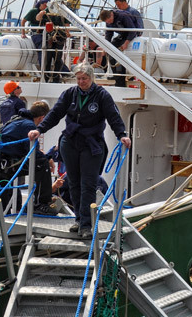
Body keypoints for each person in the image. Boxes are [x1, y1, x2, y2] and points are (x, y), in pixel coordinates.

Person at [29, 62, 131, 239]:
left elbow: (113, 116)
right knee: (74, 183)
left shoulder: (102, 96)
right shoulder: (70, 94)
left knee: (88, 184)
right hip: (70, 142)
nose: (81, 82)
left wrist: (121, 134)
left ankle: (86, 224)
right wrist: (40, 129)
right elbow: (55, 113)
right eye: (78, 79)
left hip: (91, 145)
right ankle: (78, 219)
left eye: (84, 78)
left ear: (91, 78)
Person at [0, 101, 58, 215]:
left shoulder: (17, 120)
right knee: (42, 164)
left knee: (40, 161)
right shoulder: (29, 126)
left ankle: (30, 204)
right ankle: (41, 204)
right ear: (42, 118)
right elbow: (33, 154)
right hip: (9, 164)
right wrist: (48, 158)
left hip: (2, 162)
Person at [96, 8, 141, 86]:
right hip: (122, 35)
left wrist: (126, 43)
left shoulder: (123, 16)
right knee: (111, 50)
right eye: (107, 22)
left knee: (119, 54)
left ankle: (121, 78)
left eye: (109, 21)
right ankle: (116, 75)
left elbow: (133, 31)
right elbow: (109, 34)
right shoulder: (108, 21)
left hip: (131, 34)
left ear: (112, 15)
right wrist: (106, 47)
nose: (109, 23)